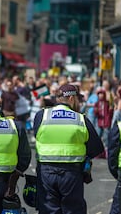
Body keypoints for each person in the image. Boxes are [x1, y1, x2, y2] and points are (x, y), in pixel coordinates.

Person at [33, 84, 104, 213]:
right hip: (71, 173)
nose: (80, 102)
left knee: (48, 209)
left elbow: (37, 135)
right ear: (71, 98)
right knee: (72, 210)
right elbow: (96, 148)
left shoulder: (42, 115)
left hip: (46, 172)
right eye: (78, 99)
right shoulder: (81, 119)